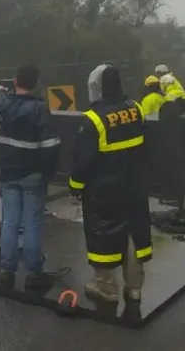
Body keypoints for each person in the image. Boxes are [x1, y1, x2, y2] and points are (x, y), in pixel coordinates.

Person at [69, 64, 152, 303]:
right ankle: (134, 287)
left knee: (104, 233)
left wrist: (75, 187)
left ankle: (106, 287)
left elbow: (82, 162)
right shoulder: (136, 110)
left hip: (103, 193)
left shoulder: (93, 120)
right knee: (133, 233)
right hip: (134, 187)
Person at [0, 64, 61, 288]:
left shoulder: (2, 103)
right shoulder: (40, 109)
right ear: (36, 84)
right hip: (33, 175)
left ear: (15, 81)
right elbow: (50, 146)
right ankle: (33, 273)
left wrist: (3, 91)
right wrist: (48, 172)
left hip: (7, 173)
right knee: (31, 223)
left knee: (10, 221)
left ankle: (6, 270)